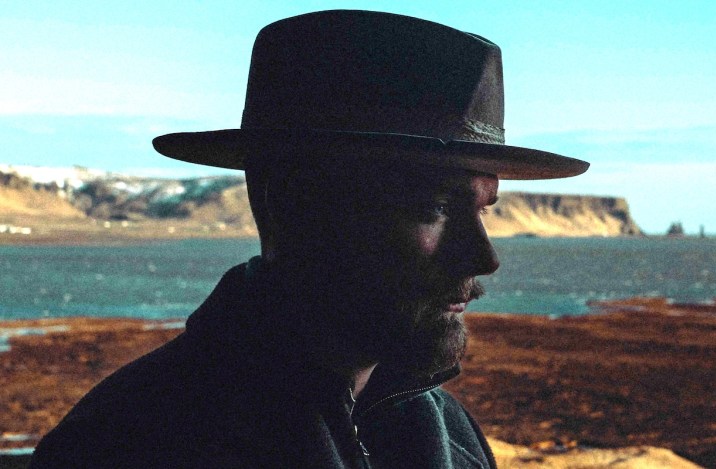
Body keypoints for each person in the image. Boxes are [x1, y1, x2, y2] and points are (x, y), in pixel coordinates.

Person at [30, 10, 588, 468]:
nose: (484, 257)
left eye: (483, 210)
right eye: (434, 207)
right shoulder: (130, 445)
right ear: (293, 204)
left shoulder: (451, 433)